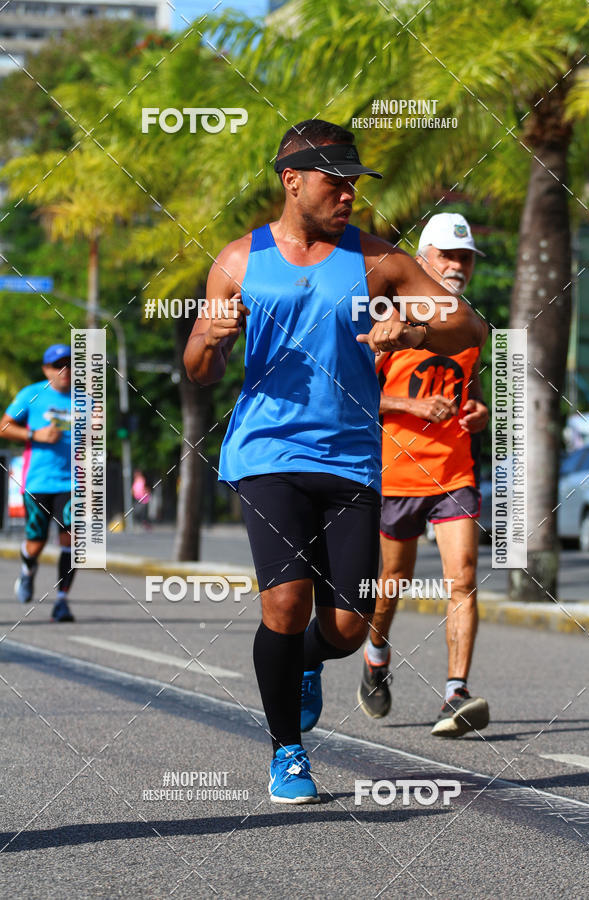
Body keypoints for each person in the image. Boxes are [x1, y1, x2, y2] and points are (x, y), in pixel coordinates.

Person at [184, 122, 486, 803]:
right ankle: (287, 750)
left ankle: (308, 665)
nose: (349, 194)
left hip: (352, 457)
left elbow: (468, 326)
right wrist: (210, 338)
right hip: (268, 453)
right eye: (335, 181)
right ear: (291, 179)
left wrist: (413, 327)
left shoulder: (379, 260)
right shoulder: (237, 260)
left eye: (355, 183)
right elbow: (199, 370)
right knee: (285, 602)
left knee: (348, 627)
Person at [357, 212, 490, 737]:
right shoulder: (387, 319)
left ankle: (455, 693)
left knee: (463, 578)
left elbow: (472, 395)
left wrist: (478, 413)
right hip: (397, 474)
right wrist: (408, 407)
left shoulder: (471, 325)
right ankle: (375, 651)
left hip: (454, 473)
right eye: (448, 255)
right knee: (392, 583)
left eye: (466, 258)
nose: (458, 265)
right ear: (423, 259)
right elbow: (354, 397)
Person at [0, 343, 75, 622]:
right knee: (37, 541)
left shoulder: (86, 400)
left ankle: (62, 601)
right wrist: (36, 435)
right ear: (47, 369)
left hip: (72, 483)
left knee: (72, 540)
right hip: (38, 482)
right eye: (58, 365)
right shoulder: (31, 394)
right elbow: (3, 426)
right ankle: (27, 569)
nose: (65, 370)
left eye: (70, 364)